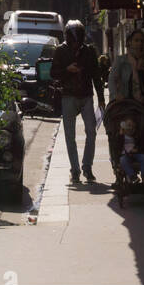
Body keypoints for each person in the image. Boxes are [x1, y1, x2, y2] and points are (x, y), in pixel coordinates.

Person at [51, 20, 105, 185]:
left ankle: (87, 167)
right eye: (72, 38)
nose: (75, 42)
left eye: (78, 38)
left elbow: (96, 75)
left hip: (86, 96)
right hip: (68, 96)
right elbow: (53, 73)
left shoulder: (89, 51)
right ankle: (75, 170)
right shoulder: (60, 51)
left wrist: (101, 98)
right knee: (69, 135)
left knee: (91, 131)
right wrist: (67, 70)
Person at [108, 29, 144, 163]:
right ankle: (127, 170)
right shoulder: (121, 61)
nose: (139, 44)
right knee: (128, 140)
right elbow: (112, 79)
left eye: (142, 41)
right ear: (129, 43)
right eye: (136, 40)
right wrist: (116, 95)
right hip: (128, 107)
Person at [118, 114, 144, 181]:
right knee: (123, 160)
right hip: (126, 155)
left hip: (136, 153)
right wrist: (120, 135)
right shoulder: (122, 137)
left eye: (132, 126)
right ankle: (133, 176)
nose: (130, 128)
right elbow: (117, 145)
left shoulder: (137, 136)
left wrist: (137, 150)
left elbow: (142, 145)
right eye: (128, 126)